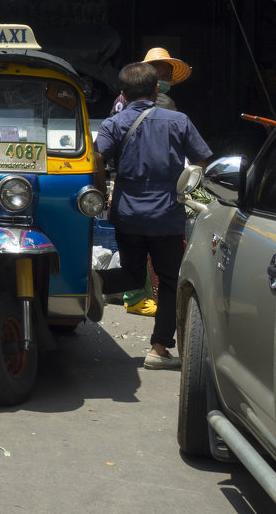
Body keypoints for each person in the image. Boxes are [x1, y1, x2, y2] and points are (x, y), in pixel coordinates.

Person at [90, 62, 211, 370]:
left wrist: (102, 193)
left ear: (123, 94)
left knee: (132, 274)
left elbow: (97, 157)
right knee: (170, 282)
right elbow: (199, 160)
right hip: (166, 217)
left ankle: (96, 282)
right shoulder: (178, 120)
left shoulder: (113, 123)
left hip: (127, 214)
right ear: (156, 90)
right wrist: (188, 191)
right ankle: (158, 348)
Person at [108, 47, 192, 316]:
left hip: (130, 206)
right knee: (166, 275)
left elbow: (101, 156)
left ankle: (102, 285)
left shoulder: (125, 111)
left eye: (168, 72)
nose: (164, 76)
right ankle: (156, 335)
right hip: (159, 206)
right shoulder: (169, 114)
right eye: (160, 72)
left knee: (135, 267)